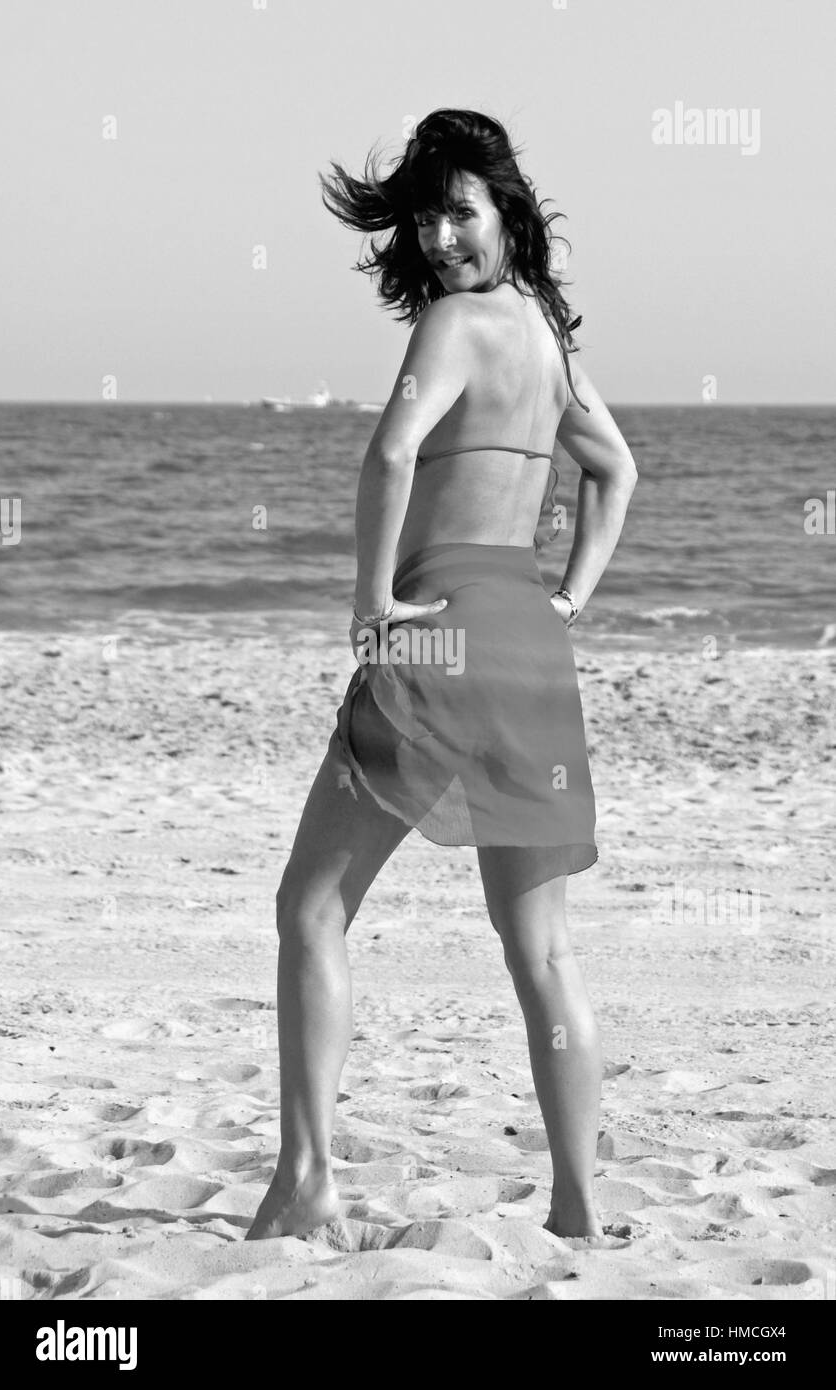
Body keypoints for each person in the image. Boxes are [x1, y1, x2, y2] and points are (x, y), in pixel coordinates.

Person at [245, 109, 638, 1243]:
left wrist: (372, 605)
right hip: (527, 641)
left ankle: (310, 1179)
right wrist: (569, 598)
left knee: (310, 906)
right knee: (544, 944)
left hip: (437, 632)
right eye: (424, 216)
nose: (439, 235)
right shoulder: (549, 342)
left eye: (459, 208)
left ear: (505, 209)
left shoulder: (453, 323)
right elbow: (613, 470)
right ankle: (577, 1206)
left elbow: (389, 451)